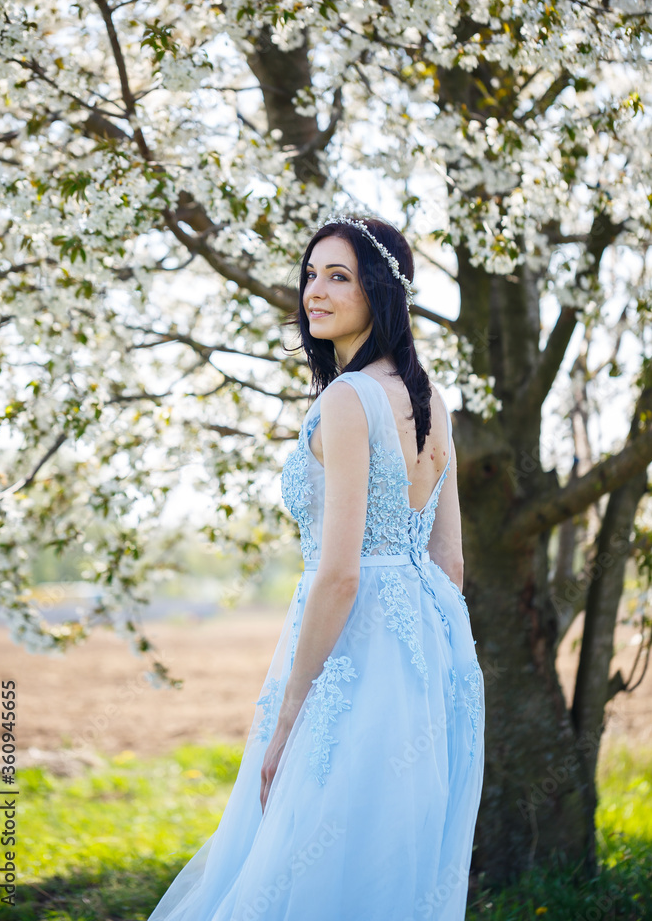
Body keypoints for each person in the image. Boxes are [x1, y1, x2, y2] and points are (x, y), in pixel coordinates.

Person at [146, 214, 485, 921]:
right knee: (385, 855)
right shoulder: (433, 401)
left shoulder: (345, 399)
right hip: (426, 658)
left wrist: (293, 709)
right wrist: (423, 658)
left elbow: (340, 572)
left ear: (380, 294)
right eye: (310, 274)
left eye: (338, 276)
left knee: (304, 855)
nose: (315, 292)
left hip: (348, 655)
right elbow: (448, 561)